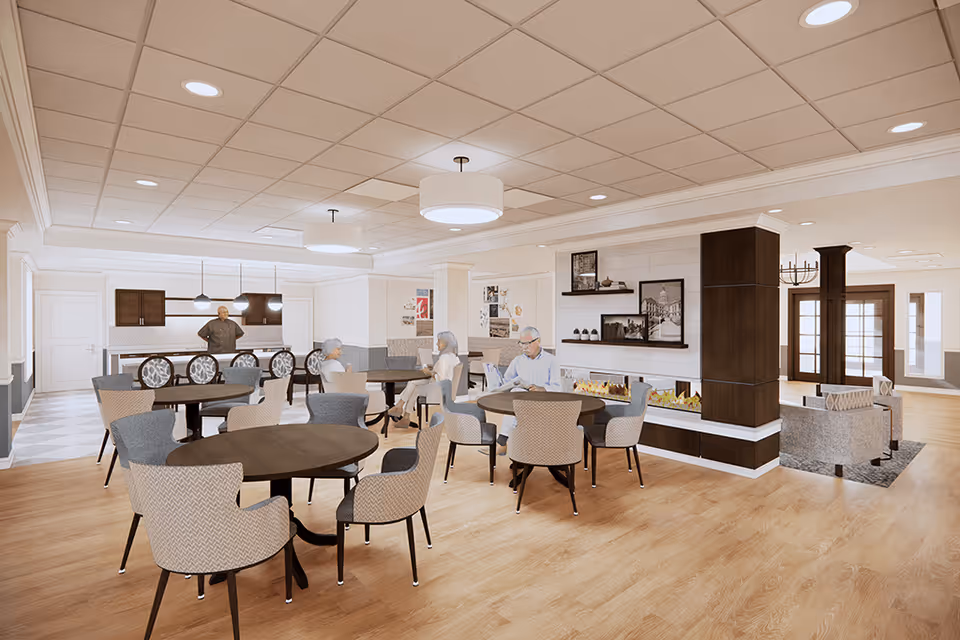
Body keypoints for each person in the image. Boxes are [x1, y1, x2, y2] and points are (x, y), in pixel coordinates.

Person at [494, 326, 567, 487]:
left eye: (528, 343)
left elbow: (557, 387)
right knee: (516, 407)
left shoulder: (551, 361)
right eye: (522, 344)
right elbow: (507, 380)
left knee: (516, 411)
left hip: (545, 407)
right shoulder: (518, 361)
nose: (524, 347)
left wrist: (542, 388)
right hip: (524, 406)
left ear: (538, 341)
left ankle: (502, 442)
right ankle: (507, 446)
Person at [388, 331, 459, 429]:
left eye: (438, 341)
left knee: (414, 386)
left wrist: (429, 372)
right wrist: (433, 368)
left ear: (445, 343)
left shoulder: (444, 358)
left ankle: (401, 409)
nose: (436, 344)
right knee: (413, 383)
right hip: (446, 388)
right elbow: (446, 374)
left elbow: (441, 379)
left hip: (439, 390)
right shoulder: (453, 357)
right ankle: (403, 412)